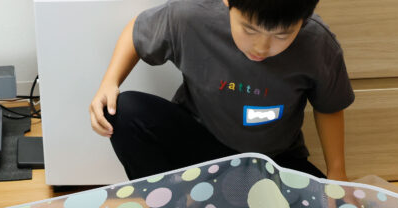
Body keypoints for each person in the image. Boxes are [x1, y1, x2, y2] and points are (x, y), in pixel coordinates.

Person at [89, 0, 352, 181]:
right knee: (123, 110)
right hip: (199, 149)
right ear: (228, 3)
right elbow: (137, 29)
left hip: (271, 161)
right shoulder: (192, 15)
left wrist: (337, 173)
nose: (261, 47)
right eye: (249, 29)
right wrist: (109, 82)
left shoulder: (318, 43)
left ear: (303, 20)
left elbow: (329, 107)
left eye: (281, 36)